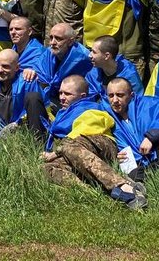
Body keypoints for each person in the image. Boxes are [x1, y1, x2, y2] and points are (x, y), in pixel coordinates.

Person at [41, 75, 147, 210]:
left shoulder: (89, 107)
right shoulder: (63, 113)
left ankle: (124, 187)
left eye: (67, 94)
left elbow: (77, 137)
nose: (62, 97)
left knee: (69, 147)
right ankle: (98, 193)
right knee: (47, 168)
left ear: (82, 95)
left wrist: (56, 151)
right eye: (60, 93)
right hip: (78, 150)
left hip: (101, 143)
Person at [24, 23, 94, 139]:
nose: (52, 42)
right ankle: (37, 138)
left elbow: (89, 90)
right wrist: (30, 71)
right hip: (55, 98)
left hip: (77, 104)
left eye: (58, 39)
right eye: (51, 37)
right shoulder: (50, 52)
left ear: (71, 41)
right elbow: (40, 72)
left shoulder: (83, 58)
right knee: (30, 89)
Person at [86, 35, 144, 99]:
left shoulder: (129, 75)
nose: (89, 55)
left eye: (94, 52)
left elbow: (137, 100)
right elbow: (88, 98)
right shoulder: (94, 72)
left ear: (107, 56)